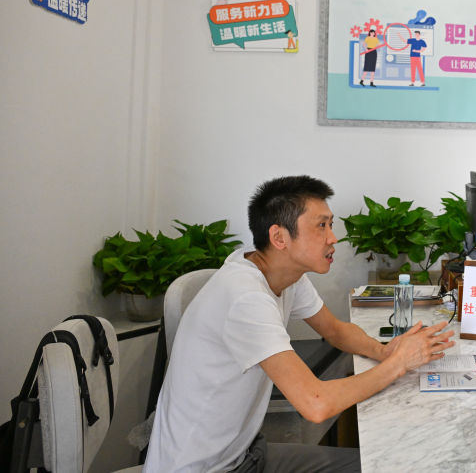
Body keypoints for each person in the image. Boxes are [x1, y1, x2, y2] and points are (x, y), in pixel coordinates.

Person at [144, 175, 455, 472]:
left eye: (330, 225)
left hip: (246, 455)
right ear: (279, 237)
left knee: (386, 465)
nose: (333, 238)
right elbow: (315, 405)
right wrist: (398, 364)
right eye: (321, 226)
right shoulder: (245, 298)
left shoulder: (282, 273)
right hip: (205, 468)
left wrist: (384, 352)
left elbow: (334, 330)